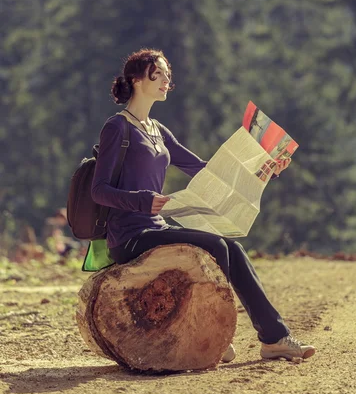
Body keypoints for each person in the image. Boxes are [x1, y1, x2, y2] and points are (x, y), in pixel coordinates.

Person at [91, 48, 316, 363]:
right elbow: (99, 190)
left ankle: (274, 338)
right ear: (138, 79)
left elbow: (207, 171)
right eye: (160, 73)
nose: (168, 80)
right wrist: (143, 200)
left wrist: (263, 168)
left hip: (157, 226)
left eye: (169, 74)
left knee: (232, 247)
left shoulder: (158, 131)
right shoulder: (118, 127)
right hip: (129, 234)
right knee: (215, 245)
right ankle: (212, 333)